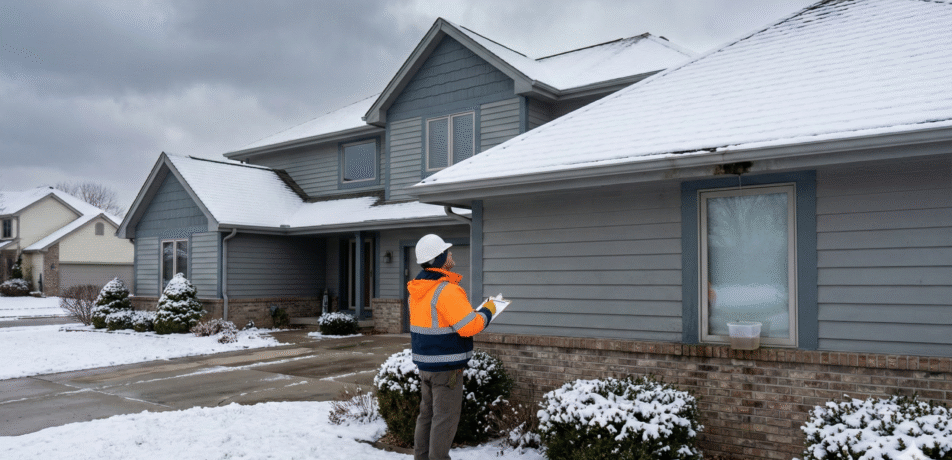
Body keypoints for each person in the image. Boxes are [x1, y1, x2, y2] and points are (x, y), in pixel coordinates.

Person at [407, 234, 497, 460]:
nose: (451, 254)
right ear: (439, 259)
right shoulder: (446, 290)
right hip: (447, 369)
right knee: (444, 419)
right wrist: (489, 310)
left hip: (426, 365)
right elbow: (469, 327)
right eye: (447, 252)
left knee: (426, 416)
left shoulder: (417, 291)